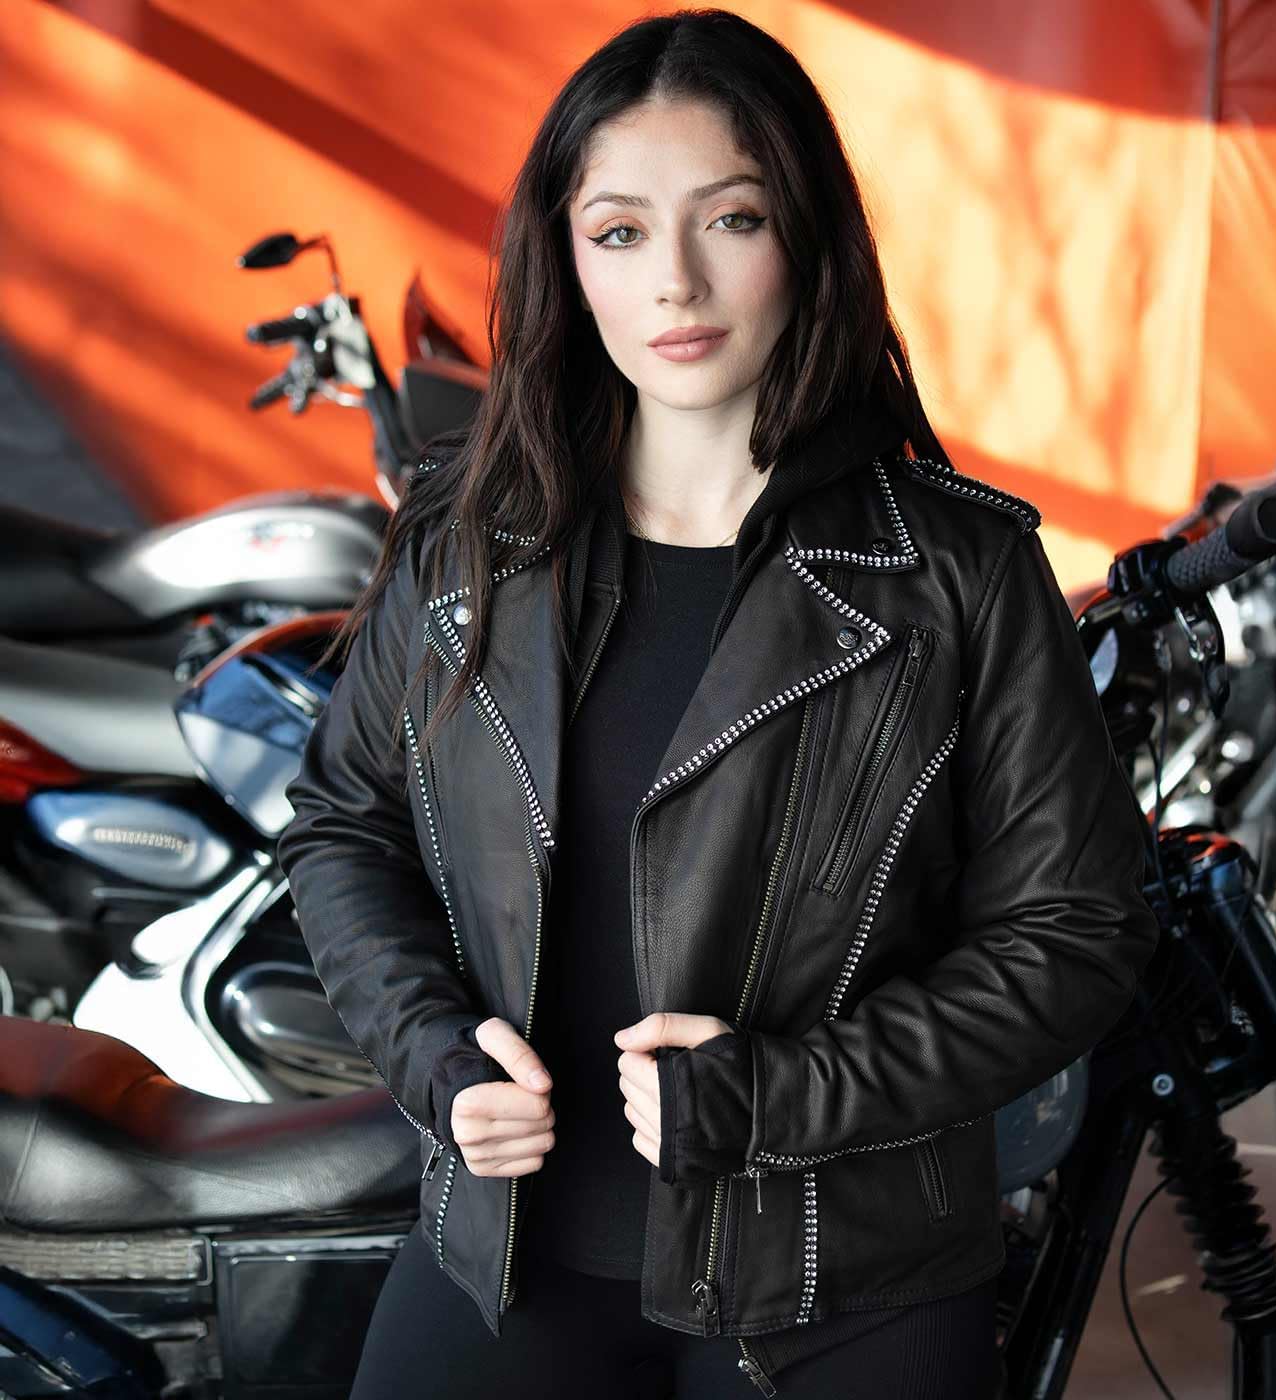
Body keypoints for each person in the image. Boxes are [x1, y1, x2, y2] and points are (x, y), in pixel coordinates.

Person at [276, 9, 1160, 1397]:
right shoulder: (468, 538)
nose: (675, 281)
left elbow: (1078, 933)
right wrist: (432, 1050)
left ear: (804, 235)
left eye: (730, 220)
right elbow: (343, 829)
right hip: (508, 1254)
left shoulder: (959, 571)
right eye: (620, 232)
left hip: (843, 1279)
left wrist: (780, 1094)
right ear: (566, 258)